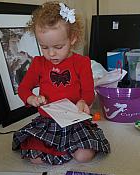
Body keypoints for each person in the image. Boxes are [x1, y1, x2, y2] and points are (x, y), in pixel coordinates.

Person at [12, 1, 110, 165]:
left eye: (58, 46)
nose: (51, 54)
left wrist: (83, 101)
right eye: (44, 47)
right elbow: (23, 88)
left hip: (74, 121)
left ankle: (68, 147)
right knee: (35, 158)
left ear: (73, 38)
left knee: (84, 156)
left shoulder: (82, 62)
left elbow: (88, 91)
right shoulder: (38, 63)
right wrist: (31, 98)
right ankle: (62, 147)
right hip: (48, 121)